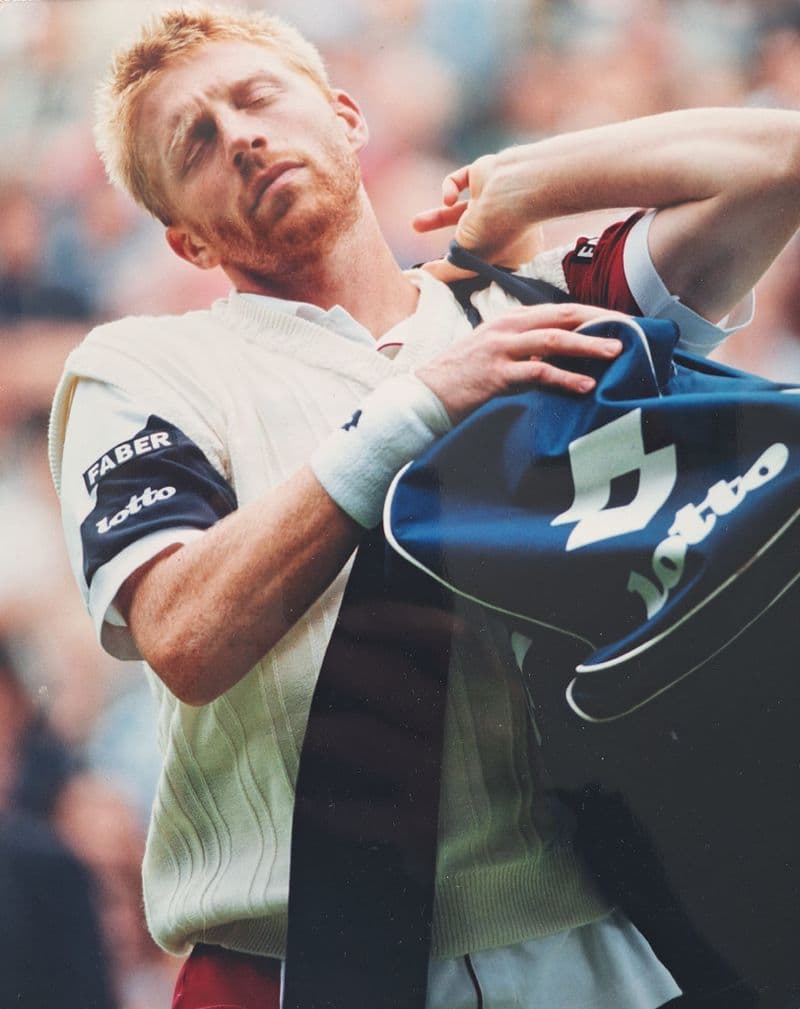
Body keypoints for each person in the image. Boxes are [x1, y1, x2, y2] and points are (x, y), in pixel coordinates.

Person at [47, 7, 800, 1008]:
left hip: (595, 936)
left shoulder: (523, 309)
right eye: (193, 140)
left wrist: (533, 174)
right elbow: (182, 631)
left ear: (346, 115)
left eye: (256, 97)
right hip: (288, 961)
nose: (238, 135)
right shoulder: (144, 367)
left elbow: (779, 164)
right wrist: (418, 405)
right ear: (184, 240)